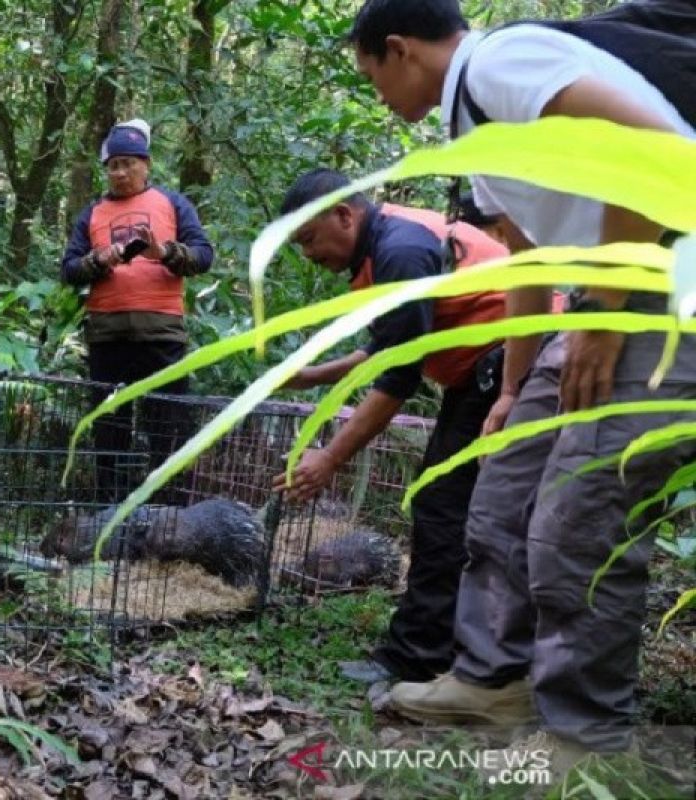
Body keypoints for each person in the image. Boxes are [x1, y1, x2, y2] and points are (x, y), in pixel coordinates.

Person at [348, 0, 696, 769]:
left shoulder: (504, 63)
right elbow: (527, 264)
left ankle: (587, 744)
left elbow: (655, 149)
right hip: (598, 303)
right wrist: (510, 392)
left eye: (370, 74)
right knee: (504, 488)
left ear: (399, 49)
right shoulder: (473, 129)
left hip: (668, 295)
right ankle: (490, 678)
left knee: (582, 517)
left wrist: (605, 316)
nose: (376, 94)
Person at [271, 168, 511, 686]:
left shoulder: (400, 252)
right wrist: (310, 376)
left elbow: (398, 378)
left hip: (509, 367)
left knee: (443, 505)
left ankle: (418, 659)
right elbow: (389, 346)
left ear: (344, 214)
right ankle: (451, 649)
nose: (309, 254)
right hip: (482, 373)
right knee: (456, 507)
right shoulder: (387, 246)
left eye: (309, 238)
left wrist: (330, 458)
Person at [60, 119, 214, 502]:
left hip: (161, 337)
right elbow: (69, 270)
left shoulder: (172, 204)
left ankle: (171, 517)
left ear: (146, 164)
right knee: (109, 429)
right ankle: (110, 515)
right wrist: (99, 260)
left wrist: (163, 252)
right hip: (107, 339)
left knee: (168, 426)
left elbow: (204, 255)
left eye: (129, 163)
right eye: (114, 165)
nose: (121, 172)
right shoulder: (92, 214)